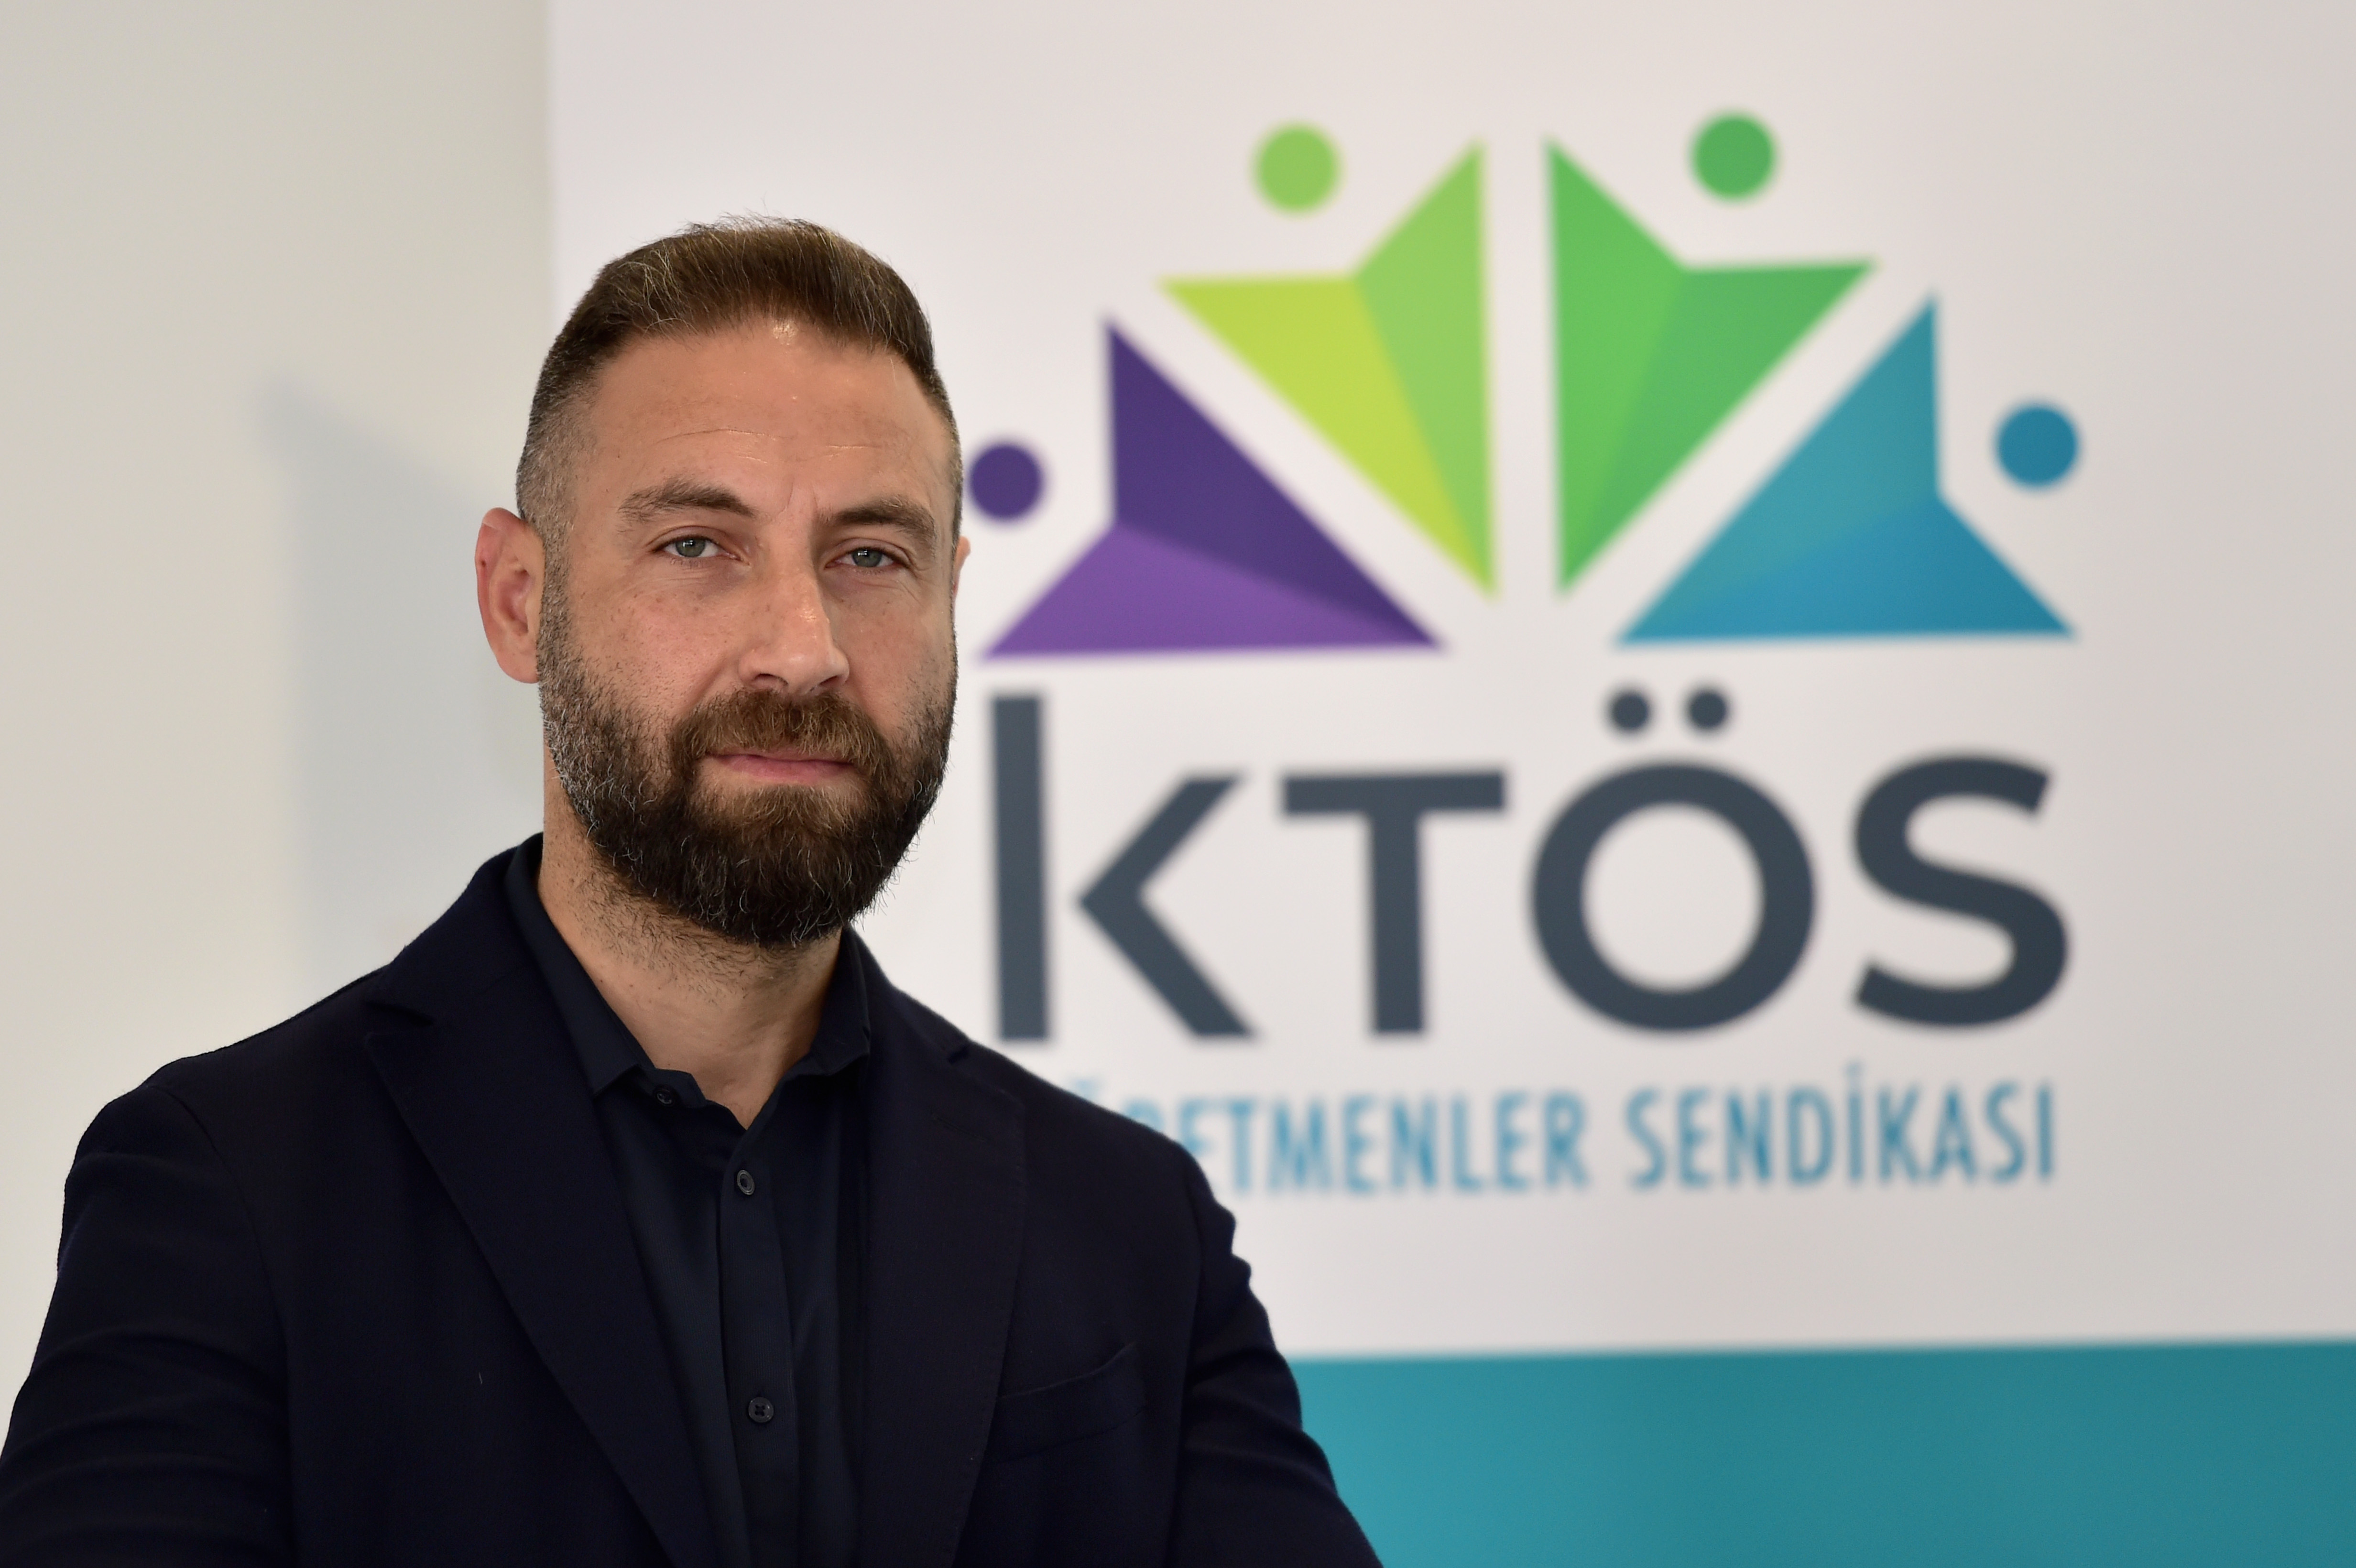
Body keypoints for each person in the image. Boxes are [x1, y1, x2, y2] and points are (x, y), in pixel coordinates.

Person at [0, 218, 1380, 1568]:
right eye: (698, 545)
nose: (803, 647)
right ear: (518, 601)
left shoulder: (1131, 1226)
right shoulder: (230, 1187)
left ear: (953, 599)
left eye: (871, 556)